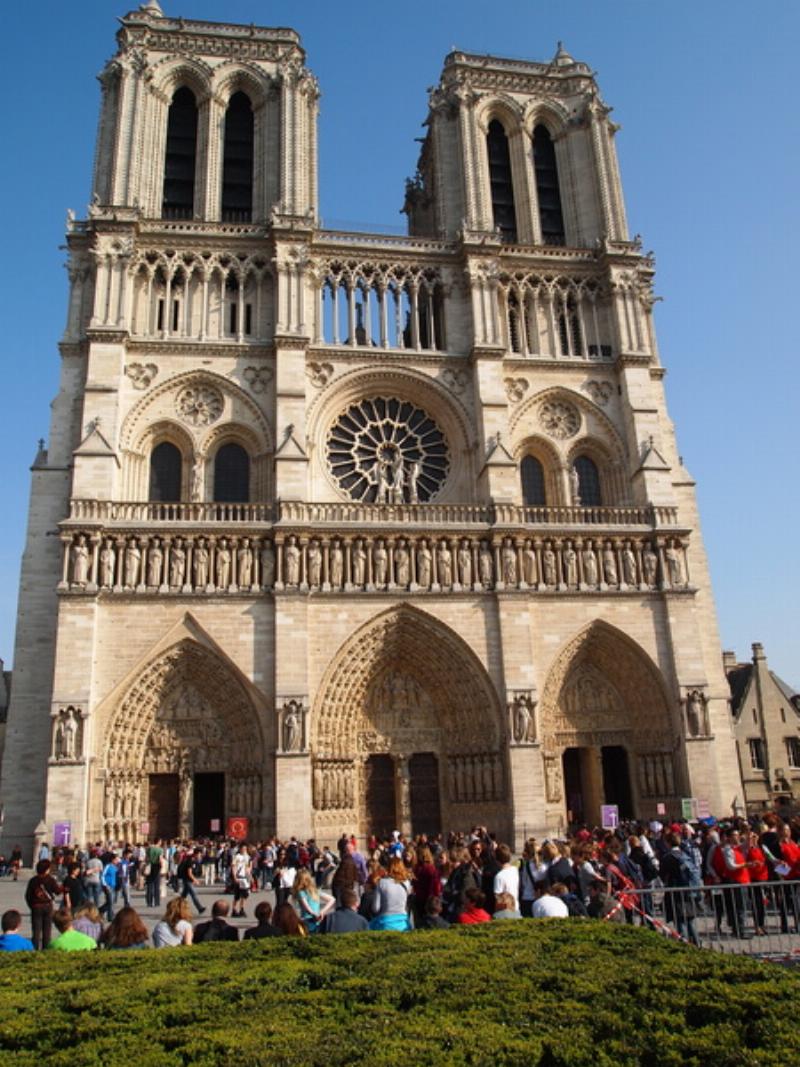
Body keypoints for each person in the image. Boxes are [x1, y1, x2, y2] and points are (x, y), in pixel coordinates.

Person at [25, 859, 63, 950]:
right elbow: (57, 892)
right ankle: (46, 949)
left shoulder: (33, 880)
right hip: (47, 906)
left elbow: (28, 895)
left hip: (36, 906)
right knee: (47, 930)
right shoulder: (50, 879)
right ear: (47, 869)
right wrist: (63, 888)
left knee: (36, 930)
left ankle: (35, 948)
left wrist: (32, 905)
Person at [369, 857, 413, 931]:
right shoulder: (407, 883)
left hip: (385, 923)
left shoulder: (382, 882)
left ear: (388, 868)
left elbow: (375, 908)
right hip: (403, 923)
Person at [292, 868, 333, 934]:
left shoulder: (301, 892)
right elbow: (332, 899)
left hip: (307, 920)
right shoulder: (315, 891)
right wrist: (322, 911)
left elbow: (307, 907)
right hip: (318, 920)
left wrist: (314, 914)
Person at [412, 846, 442, 925]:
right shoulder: (429, 868)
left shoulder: (425, 869)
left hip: (424, 899)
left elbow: (434, 886)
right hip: (425, 899)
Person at [177, 847, 206, 916]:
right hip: (187, 879)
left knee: (183, 896)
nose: (200, 855)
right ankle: (200, 908)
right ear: (196, 854)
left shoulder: (192, 859)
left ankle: (177, 906)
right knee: (193, 894)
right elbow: (189, 873)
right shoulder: (190, 860)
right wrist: (195, 880)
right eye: (200, 854)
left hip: (187, 879)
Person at [492, 844, 520, 912]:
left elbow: (498, 898)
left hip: (505, 910)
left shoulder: (499, 876)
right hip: (516, 907)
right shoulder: (514, 870)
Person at [230, 844, 252, 918]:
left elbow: (249, 867)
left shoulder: (248, 857)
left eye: (245, 849)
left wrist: (250, 877)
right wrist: (234, 877)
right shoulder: (237, 857)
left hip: (245, 878)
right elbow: (233, 866)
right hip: (238, 876)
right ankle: (234, 909)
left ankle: (241, 909)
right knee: (237, 895)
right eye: (242, 849)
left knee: (244, 894)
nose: (244, 850)